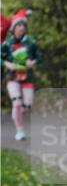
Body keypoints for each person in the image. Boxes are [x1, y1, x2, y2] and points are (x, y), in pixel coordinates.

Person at [2, 10, 40, 141]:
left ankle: (24, 110)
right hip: (12, 77)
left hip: (27, 77)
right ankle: (19, 130)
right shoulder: (7, 44)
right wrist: (7, 64)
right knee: (16, 103)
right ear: (13, 28)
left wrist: (33, 62)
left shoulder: (31, 42)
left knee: (26, 107)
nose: (21, 28)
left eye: (23, 26)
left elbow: (39, 57)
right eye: (18, 25)